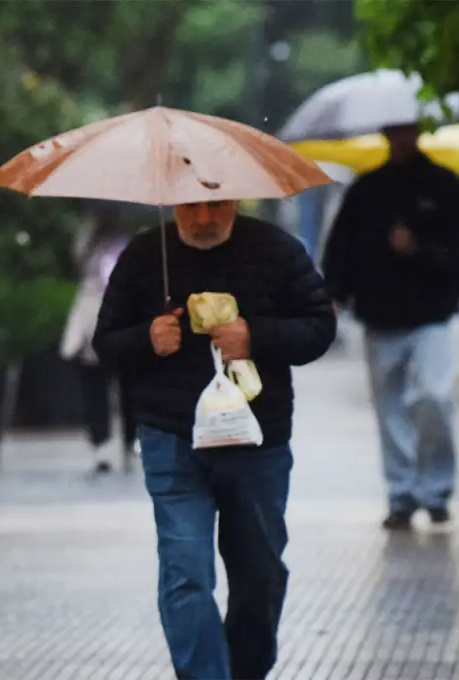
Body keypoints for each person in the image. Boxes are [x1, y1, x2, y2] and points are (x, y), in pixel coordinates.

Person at [93, 201, 336, 680]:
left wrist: (256, 337)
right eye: (192, 205)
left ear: (237, 198)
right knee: (186, 571)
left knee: (259, 575)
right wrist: (147, 339)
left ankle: (245, 670)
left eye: (217, 203)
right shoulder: (146, 255)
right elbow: (105, 344)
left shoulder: (277, 250)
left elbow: (319, 328)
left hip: (257, 440)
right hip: (172, 435)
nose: (204, 217)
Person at [320, 122, 459, 531]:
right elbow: (342, 247)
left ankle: (436, 491)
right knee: (389, 410)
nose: (401, 139)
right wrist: (335, 291)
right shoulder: (367, 191)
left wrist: (420, 253)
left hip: (431, 315)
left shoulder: (445, 187)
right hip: (379, 314)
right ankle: (402, 494)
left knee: (434, 397)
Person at [60, 206, 137, 473]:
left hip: (118, 318)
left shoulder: (126, 242)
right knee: (99, 387)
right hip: (93, 321)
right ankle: (104, 445)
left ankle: (126, 442)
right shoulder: (89, 238)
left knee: (126, 389)